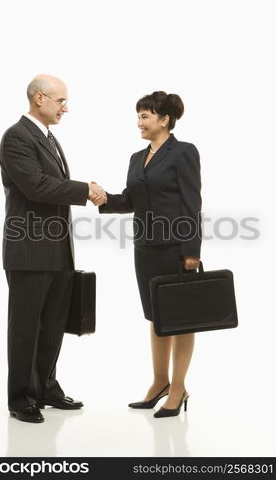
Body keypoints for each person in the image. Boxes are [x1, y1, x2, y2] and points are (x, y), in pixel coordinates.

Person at [0, 74, 106, 423]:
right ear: (39, 98)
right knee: (26, 327)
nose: (65, 107)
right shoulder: (16, 137)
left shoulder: (48, 138)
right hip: (29, 252)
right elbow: (36, 186)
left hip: (58, 251)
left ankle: (45, 387)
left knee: (53, 325)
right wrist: (84, 190)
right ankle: (21, 399)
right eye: (61, 100)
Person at [92, 91, 202, 418]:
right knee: (156, 318)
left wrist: (191, 251)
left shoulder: (183, 152)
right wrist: (103, 199)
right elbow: (130, 200)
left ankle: (179, 388)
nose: (139, 122)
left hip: (175, 249)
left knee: (180, 321)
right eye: (138, 116)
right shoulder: (136, 158)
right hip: (145, 248)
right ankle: (159, 383)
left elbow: (191, 203)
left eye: (145, 116)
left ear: (164, 119)